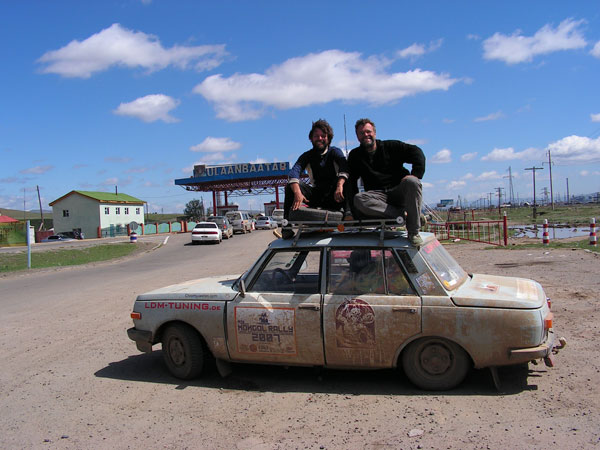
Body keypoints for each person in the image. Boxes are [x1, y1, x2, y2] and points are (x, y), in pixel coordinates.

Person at [347, 118, 426, 246]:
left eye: (368, 131)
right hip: (378, 198)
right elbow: (351, 182)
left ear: (375, 133)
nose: (365, 135)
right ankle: (409, 215)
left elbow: (416, 152)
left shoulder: (391, 147)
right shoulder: (355, 156)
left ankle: (413, 232)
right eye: (361, 133)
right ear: (357, 137)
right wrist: (352, 213)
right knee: (359, 199)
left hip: (398, 191)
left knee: (413, 181)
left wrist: (416, 174)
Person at [276, 119, 351, 239]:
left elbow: (344, 167)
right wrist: (298, 192)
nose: (320, 138)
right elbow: (294, 172)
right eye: (316, 136)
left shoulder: (335, 152)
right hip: (317, 196)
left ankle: (348, 213)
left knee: (346, 179)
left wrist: (339, 185)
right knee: (291, 186)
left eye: (323, 136)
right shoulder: (307, 155)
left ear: (328, 138)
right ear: (311, 138)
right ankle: (287, 226)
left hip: (335, 196)